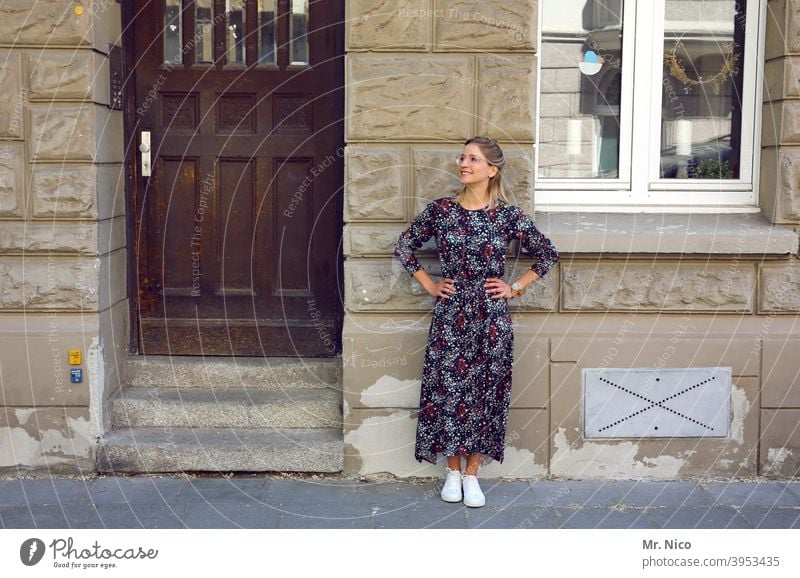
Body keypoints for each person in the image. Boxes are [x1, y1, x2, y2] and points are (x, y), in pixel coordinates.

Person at [393, 136, 559, 507]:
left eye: (473, 159)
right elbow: (404, 247)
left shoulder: (507, 216)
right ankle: (452, 471)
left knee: (486, 393)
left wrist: (514, 287)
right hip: (451, 315)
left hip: (491, 318)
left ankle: (473, 474)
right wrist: (431, 285)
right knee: (450, 391)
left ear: (492, 169)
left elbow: (548, 255)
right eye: (462, 157)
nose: (463, 164)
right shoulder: (441, 211)